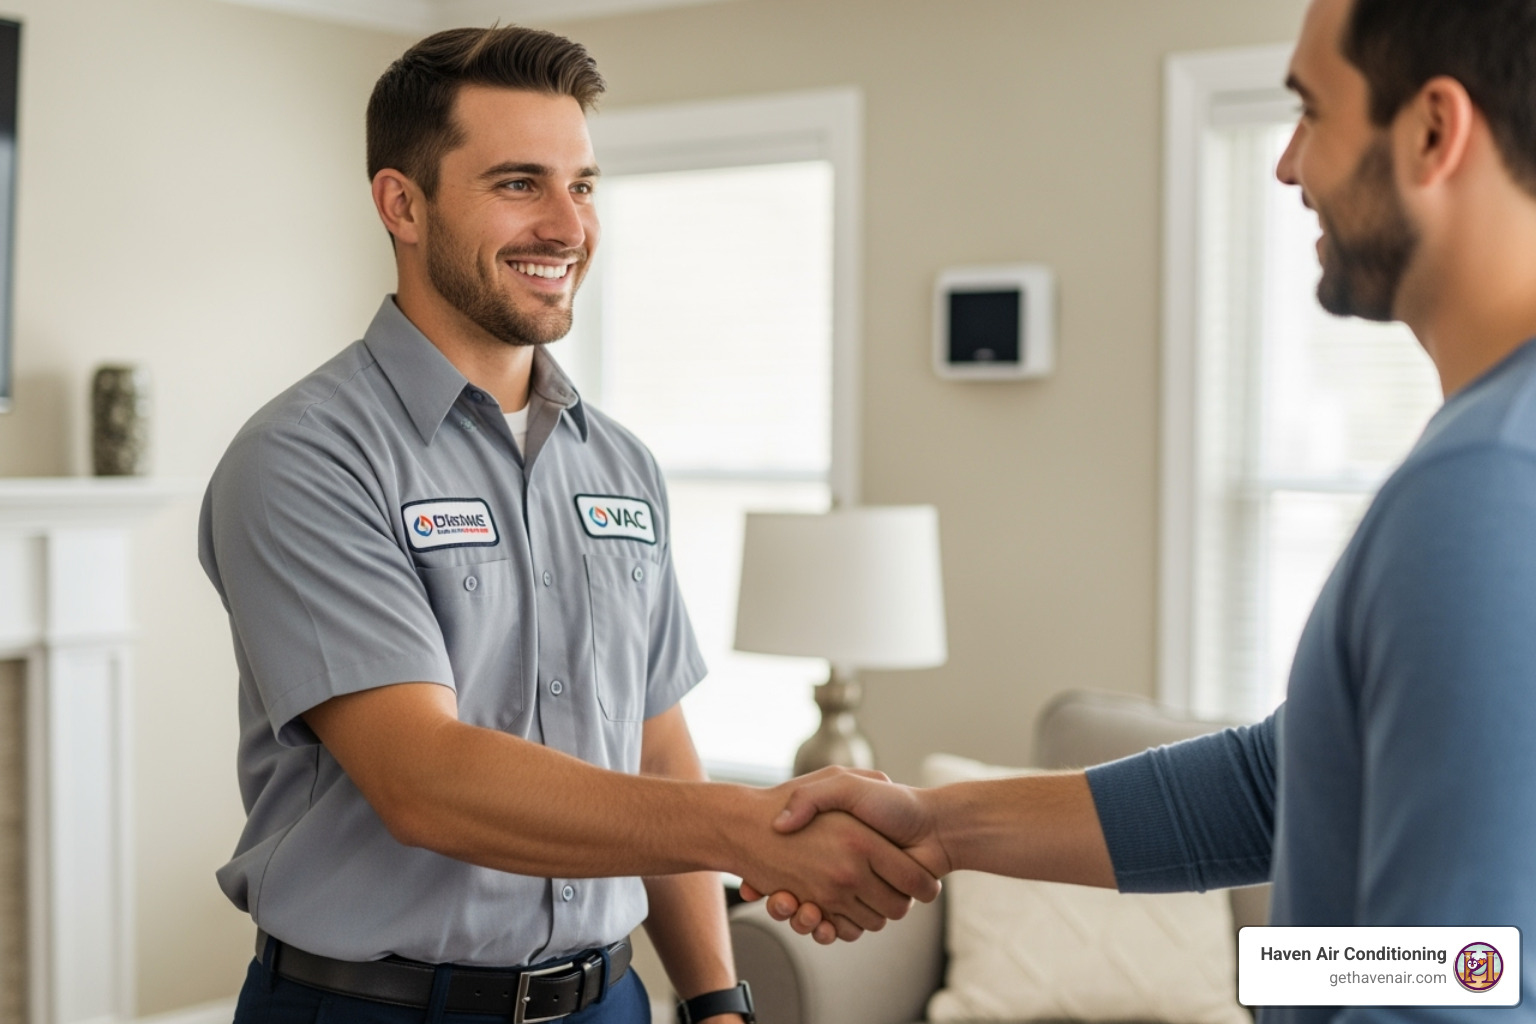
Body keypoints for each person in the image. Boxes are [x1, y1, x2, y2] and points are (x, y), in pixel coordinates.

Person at [751, 0, 1536, 1020]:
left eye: (1312, 111)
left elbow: (1459, 979)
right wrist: (937, 823)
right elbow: (1281, 784)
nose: (1288, 165)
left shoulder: (1482, 489)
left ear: (1434, 131)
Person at [198, 25, 938, 1024]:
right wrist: (750, 828)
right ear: (401, 204)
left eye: (582, 185)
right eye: (518, 183)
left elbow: (656, 752)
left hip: (609, 1001)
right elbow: (426, 780)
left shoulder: (619, 464)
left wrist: (717, 999)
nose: (566, 225)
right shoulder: (306, 456)